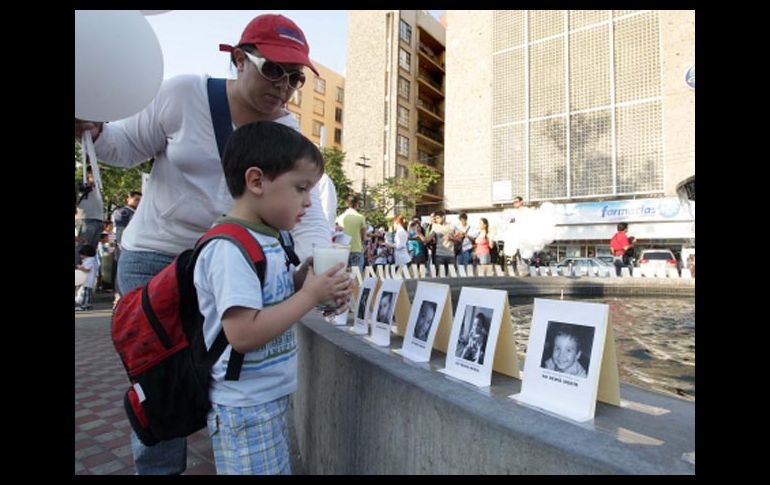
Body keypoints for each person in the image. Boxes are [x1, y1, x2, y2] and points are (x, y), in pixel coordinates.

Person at [74, 13, 332, 475]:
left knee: (222, 382)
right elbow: (125, 146)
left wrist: (317, 262)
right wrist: (93, 132)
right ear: (238, 59)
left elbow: (307, 215)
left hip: (228, 266)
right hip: (154, 258)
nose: (284, 86)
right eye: (273, 69)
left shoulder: (289, 135)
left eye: (294, 77)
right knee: (161, 385)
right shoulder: (183, 93)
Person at [193, 121, 351, 475]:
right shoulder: (229, 248)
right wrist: (310, 295)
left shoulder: (270, 239)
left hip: (267, 396)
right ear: (256, 181)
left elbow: (269, 299)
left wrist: (302, 280)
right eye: (301, 188)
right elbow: (243, 333)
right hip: (245, 407)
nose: (309, 202)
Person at [74, 167, 103, 265]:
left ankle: (86, 276)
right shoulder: (80, 185)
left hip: (98, 221)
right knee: (82, 248)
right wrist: (88, 184)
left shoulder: (98, 188)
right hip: (85, 220)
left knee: (90, 250)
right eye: (96, 172)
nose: (98, 175)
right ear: (88, 174)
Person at [337, 195, 367, 273]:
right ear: (357, 204)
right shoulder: (360, 217)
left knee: (344, 276)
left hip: (343, 249)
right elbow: (364, 237)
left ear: (347, 204)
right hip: (356, 248)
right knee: (357, 277)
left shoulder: (341, 217)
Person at [426, 210, 458, 275]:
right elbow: (427, 239)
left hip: (450, 255)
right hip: (439, 255)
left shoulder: (452, 226)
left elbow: (459, 239)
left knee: (452, 276)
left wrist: (451, 239)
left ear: (443, 217)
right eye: (435, 218)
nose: (436, 220)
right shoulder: (435, 226)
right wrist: (419, 234)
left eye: (437, 218)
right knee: (440, 276)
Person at [75, 245, 97, 311]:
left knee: (85, 294)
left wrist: (79, 267)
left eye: (81, 254)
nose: (81, 256)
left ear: (86, 254)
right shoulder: (92, 260)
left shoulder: (89, 261)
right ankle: (88, 305)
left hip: (87, 280)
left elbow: (87, 269)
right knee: (88, 294)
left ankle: (84, 306)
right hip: (89, 280)